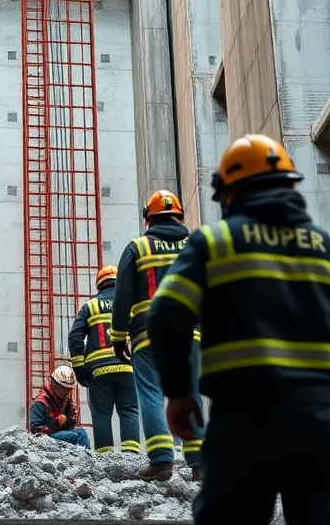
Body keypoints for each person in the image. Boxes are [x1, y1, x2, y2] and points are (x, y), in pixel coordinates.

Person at [147, 134, 330, 525]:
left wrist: (179, 394)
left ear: (229, 195)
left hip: (242, 423)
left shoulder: (214, 243)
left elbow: (165, 315)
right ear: (291, 186)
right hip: (324, 425)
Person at [110, 190, 202, 480]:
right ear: (179, 216)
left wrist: (117, 336)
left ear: (148, 219)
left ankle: (162, 461)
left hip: (150, 335)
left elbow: (122, 296)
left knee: (150, 392)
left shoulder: (137, 248)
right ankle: (199, 463)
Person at [68, 265, 140, 454]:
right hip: (128, 368)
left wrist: (79, 368)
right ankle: (131, 456)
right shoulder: (131, 304)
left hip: (99, 371)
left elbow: (75, 337)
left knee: (101, 414)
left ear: (99, 285)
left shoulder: (91, 306)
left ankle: (105, 458)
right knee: (129, 410)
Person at [28, 366, 89, 448]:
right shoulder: (40, 403)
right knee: (79, 435)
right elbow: (35, 430)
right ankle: (86, 459)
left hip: (56, 435)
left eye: (69, 389)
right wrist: (57, 423)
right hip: (45, 440)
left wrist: (70, 419)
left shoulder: (66, 402)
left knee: (81, 432)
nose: (67, 392)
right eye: (64, 388)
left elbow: (71, 426)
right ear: (54, 384)